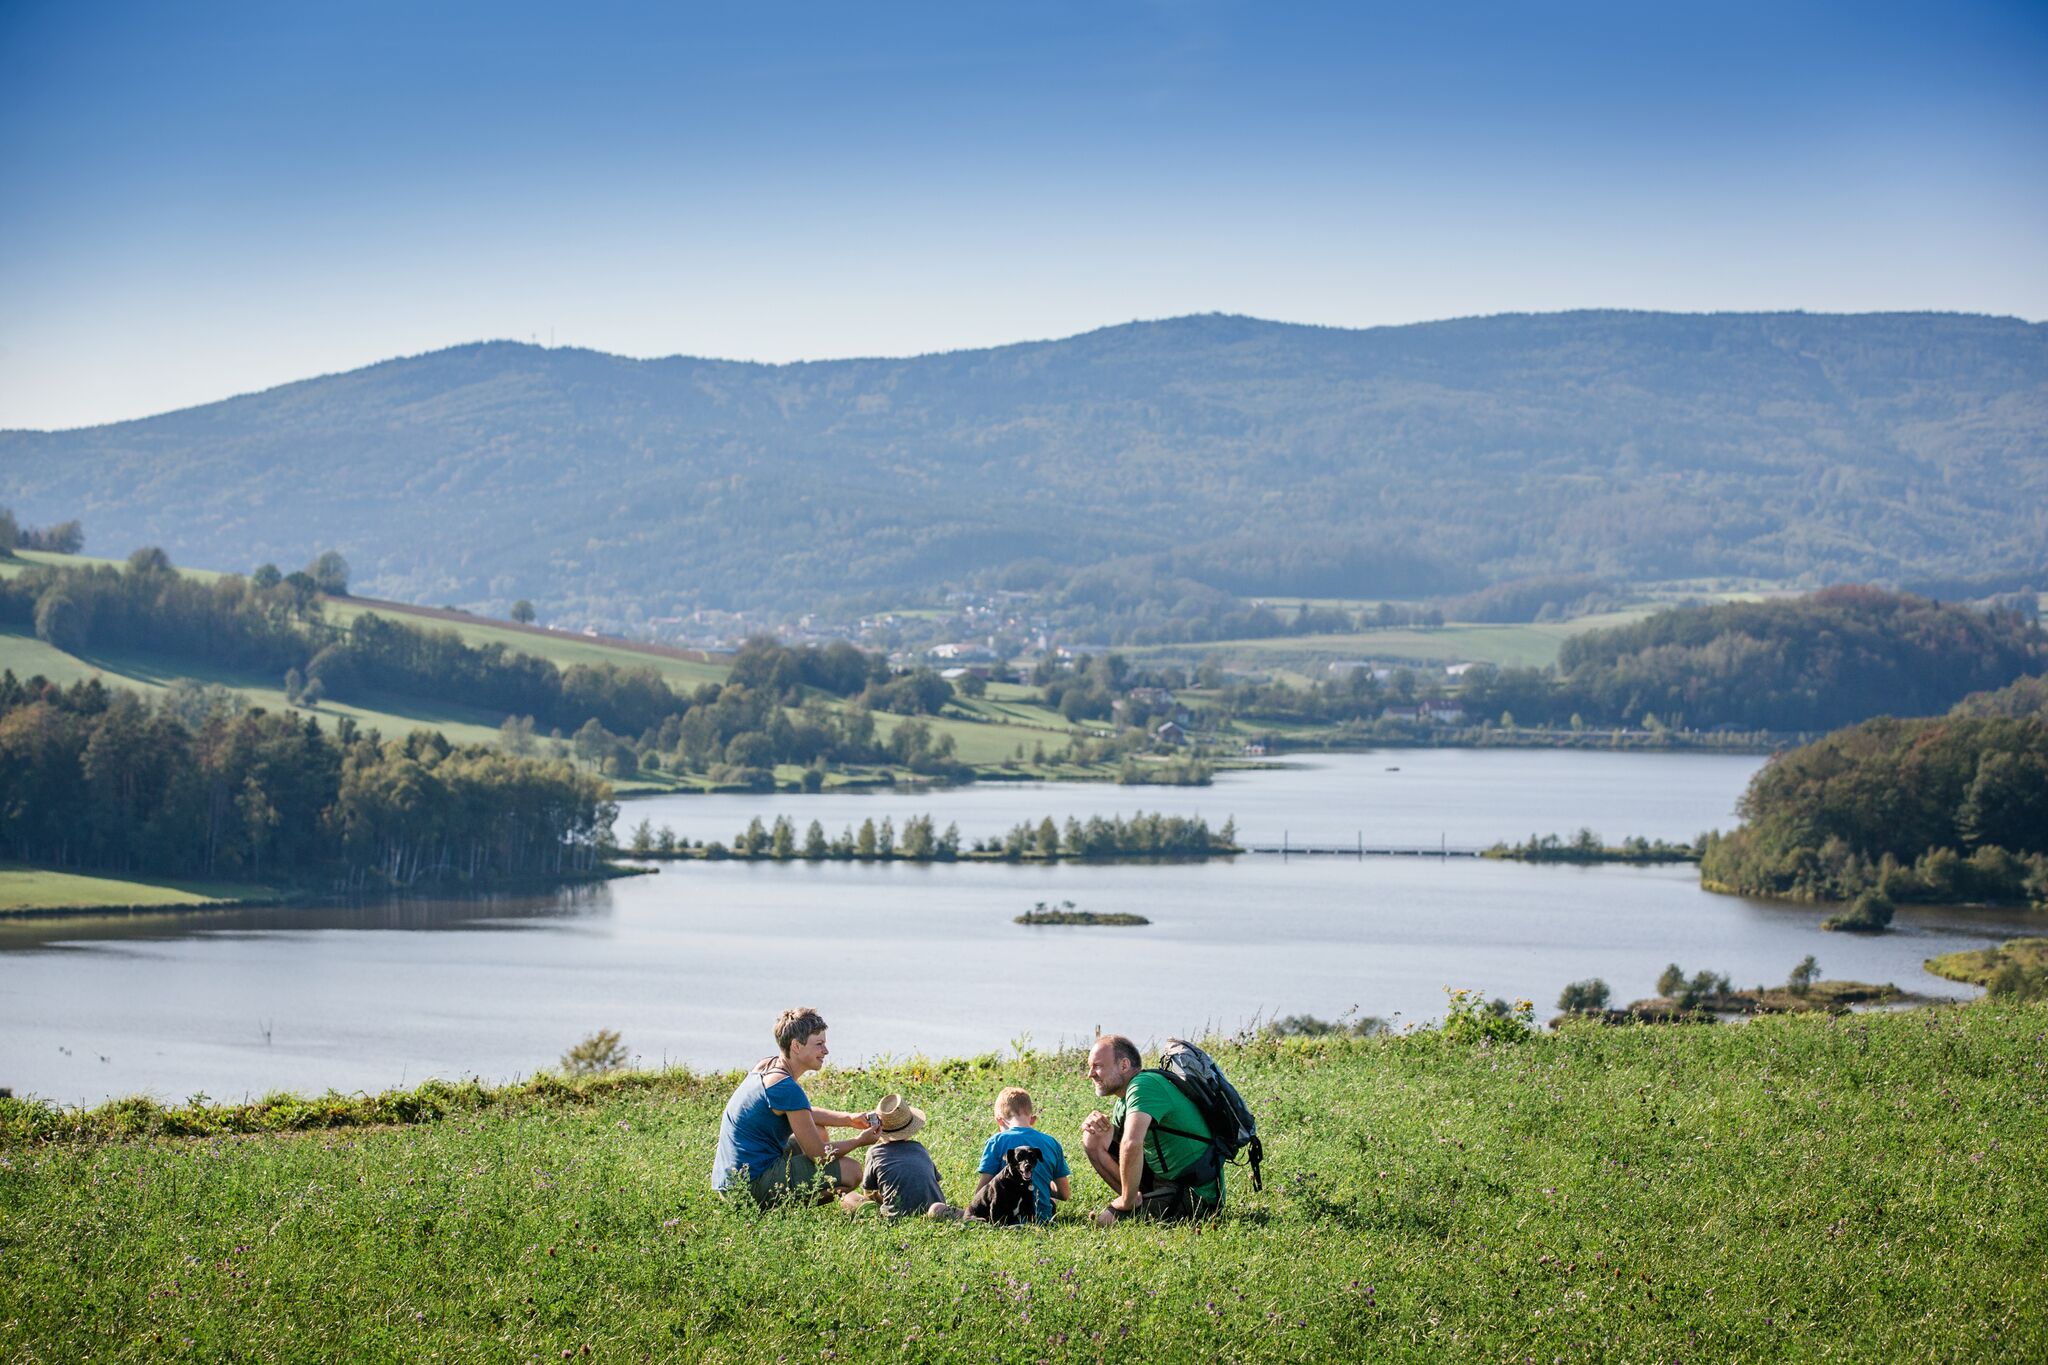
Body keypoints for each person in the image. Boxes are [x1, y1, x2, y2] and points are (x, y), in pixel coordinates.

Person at [710, 1006, 879, 1207]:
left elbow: (802, 1113)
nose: (826, 1051)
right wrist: (859, 1141)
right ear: (796, 1046)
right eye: (819, 1044)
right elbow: (818, 1154)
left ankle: (783, 1194)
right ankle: (780, 1209)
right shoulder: (786, 1087)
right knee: (851, 1171)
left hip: (731, 1181)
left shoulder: (767, 1066)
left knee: (817, 1130)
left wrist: (849, 1119)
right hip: (747, 1187)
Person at [1080, 1034, 1222, 1224]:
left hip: (1193, 1192)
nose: (1090, 1074)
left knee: (1105, 1221)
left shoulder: (1144, 1085)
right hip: (1162, 1179)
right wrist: (1097, 1124)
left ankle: (1132, 1201)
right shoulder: (1123, 1102)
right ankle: (1137, 1198)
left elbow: (1131, 1144)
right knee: (1094, 1135)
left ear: (1124, 1065)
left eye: (1097, 1066)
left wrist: (1126, 1202)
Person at [968, 1086, 1070, 1223]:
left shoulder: (996, 1141)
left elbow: (982, 1192)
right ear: (1032, 1119)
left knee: (939, 1209)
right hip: (1041, 1219)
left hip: (1003, 1220)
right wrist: (1043, 1185)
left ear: (999, 1120)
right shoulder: (1052, 1143)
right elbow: (1064, 1193)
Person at [839, 1093, 950, 1217]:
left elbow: (869, 1192)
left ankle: (872, 1213)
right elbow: (935, 1181)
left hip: (897, 1214)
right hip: (934, 1206)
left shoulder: (874, 1153)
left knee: (847, 1196)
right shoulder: (919, 1148)